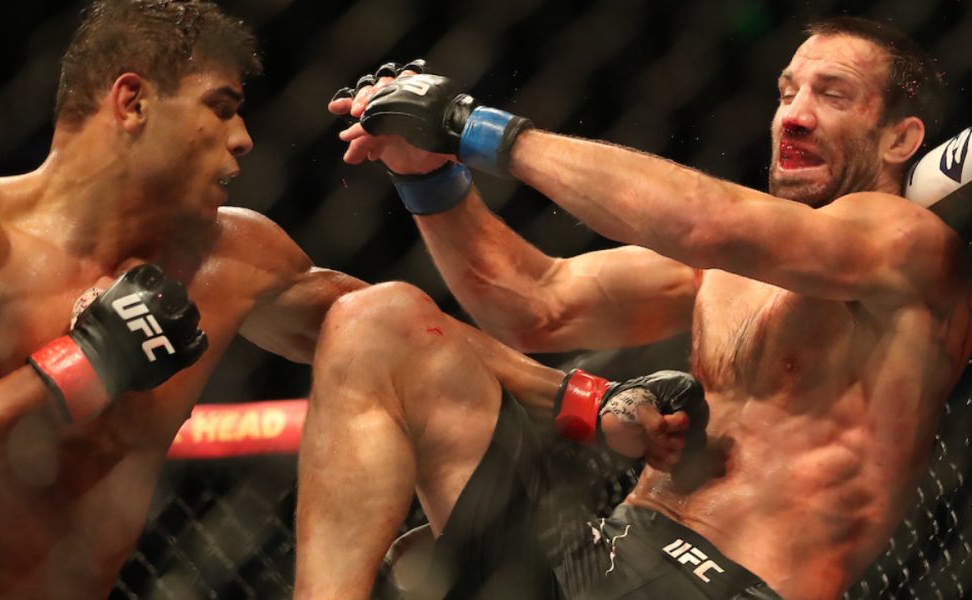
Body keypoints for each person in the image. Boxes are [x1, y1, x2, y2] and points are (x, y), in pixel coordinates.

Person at [0, 1, 681, 598]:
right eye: (220, 109)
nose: (243, 139)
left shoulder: (227, 256)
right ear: (133, 102)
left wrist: (586, 399)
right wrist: (76, 366)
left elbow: (398, 330)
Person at [312, 16, 972, 600]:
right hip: (602, 553)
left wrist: (469, 126)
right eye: (786, 92)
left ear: (899, 139)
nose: (793, 116)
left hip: (729, 586)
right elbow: (537, 305)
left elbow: (709, 221)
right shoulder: (725, 272)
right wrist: (428, 173)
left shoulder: (907, 246)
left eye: (832, 95)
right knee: (378, 319)